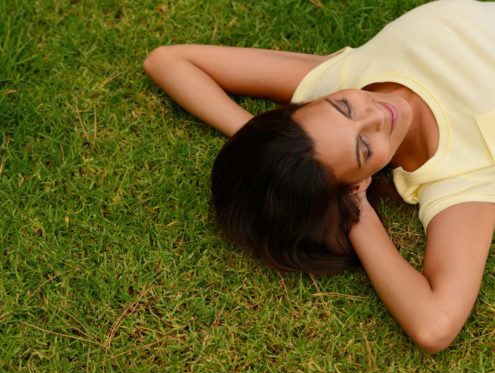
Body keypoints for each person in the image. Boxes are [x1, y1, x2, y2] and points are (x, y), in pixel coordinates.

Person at [143, 0, 495, 353]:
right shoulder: (459, 176)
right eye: (364, 148)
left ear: (312, 103)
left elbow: (167, 60)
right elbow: (434, 326)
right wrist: (356, 209)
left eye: (344, 108)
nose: (375, 114)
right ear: (357, 182)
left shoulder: (339, 78)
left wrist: (266, 141)